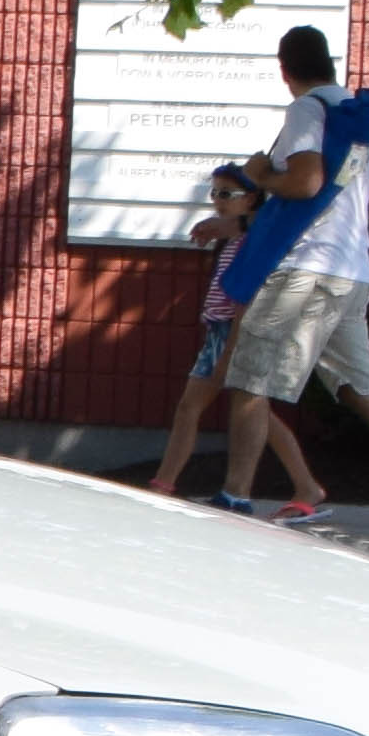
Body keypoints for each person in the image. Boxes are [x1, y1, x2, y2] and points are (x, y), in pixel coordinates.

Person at [214, 27, 369, 531]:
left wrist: (261, 174)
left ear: (284, 69)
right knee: (361, 387)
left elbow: (305, 181)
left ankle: (234, 500)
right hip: (352, 270)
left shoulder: (308, 111)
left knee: (248, 379)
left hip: (304, 268)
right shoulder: (360, 119)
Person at [149, 164, 328, 508]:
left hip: (236, 330)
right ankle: (306, 485)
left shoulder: (253, 242)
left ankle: (164, 484)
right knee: (251, 414)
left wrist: (230, 351)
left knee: (195, 407)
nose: (218, 201)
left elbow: (248, 298)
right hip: (219, 329)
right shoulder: (231, 239)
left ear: (251, 200)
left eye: (227, 194)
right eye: (214, 193)